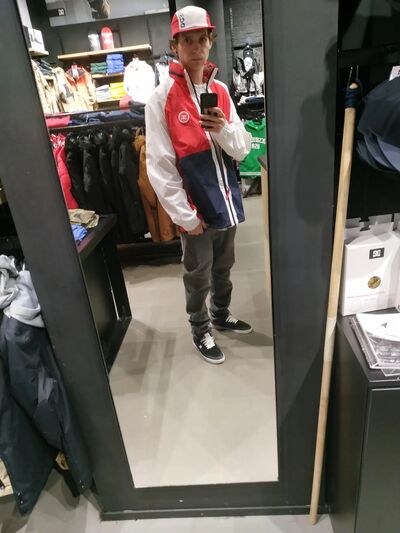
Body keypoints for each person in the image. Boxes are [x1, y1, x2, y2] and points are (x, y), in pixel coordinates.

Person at [145, 5, 253, 365]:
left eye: (201, 39)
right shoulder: (161, 98)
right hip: (196, 208)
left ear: (210, 42)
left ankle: (221, 315)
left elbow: (242, 149)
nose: (195, 47)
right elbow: (160, 166)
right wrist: (185, 216)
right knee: (198, 274)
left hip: (226, 200)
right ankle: (200, 328)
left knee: (224, 267)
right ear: (175, 46)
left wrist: (223, 128)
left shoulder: (220, 90)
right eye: (187, 40)